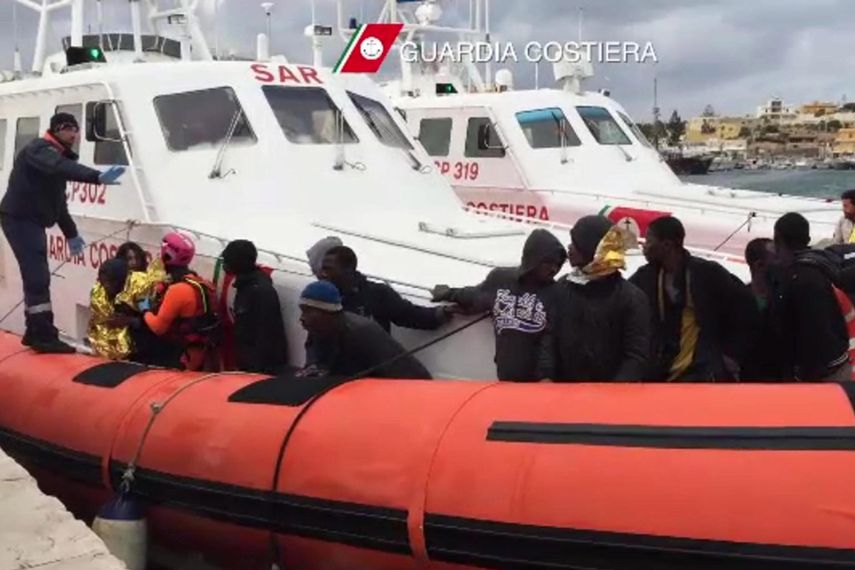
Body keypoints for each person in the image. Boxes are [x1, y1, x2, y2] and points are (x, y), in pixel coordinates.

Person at [0, 112, 125, 353]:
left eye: (76, 130)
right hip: (20, 220)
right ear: (57, 129)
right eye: (70, 129)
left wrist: (71, 235)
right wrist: (97, 177)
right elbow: (60, 166)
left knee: (37, 276)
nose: (74, 135)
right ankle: (43, 335)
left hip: (31, 222)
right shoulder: (39, 150)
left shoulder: (56, 161)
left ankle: (35, 331)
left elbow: (59, 205)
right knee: (37, 277)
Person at [629, 216, 758, 382]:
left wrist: (732, 355)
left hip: (702, 372)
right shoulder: (645, 276)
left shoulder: (708, 274)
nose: (644, 247)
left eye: (648, 241)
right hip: (661, 372)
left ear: (666, 245)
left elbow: (746, 309)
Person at [431, 229, 566, 382]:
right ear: (533, 258)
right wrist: (449, 293)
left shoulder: (556, 293)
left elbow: (549, 340)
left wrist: (546, 376)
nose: (554, 269)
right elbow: (476, 295)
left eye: (557, 264)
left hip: (537, 383)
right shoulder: (500, 279)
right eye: (548, 262)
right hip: (505, 375)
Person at [551, 216, 651, 381]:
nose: (569, 247)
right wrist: (546, 377)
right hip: (564, 392)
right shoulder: (563, 287)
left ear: (592, 249)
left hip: (610, 393)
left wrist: (610, 392)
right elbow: (549, 339)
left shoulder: (631, 299)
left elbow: (636, 356)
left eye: (575, 243)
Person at [772, 213, 850, 382]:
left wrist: (802, 377)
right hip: (840, 363)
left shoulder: (797, 280)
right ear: (807, 239)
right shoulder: (822, 264)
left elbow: (812, 334)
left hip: (821, 375)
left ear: (778, 241)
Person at [298, 280, 431, 380]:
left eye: (308, 311)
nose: (302, 318)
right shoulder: (319, 328)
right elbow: (316, 363)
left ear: (328, 312)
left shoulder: (361, 334)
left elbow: (403, 372)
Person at [131, 232, 220, 370]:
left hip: (179, 356)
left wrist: (145, 309)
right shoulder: (202, 283)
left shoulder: (177, 290)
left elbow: (158, 328)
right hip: (201, 353)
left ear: (166, 256)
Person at [321, 245, 452, 333]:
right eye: (323, 268)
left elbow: (409, 315)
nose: (322, 274)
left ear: (348, 269)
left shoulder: (377, 293)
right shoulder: (318, 297)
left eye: (329, 269)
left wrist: (442, 313)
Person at [221, 239, 288, 374]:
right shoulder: (245, 286)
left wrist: (256, 369)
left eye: (227, 260)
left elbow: (266, 333)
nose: (224, 264)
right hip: (248, 361)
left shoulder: (259, 291)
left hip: (260, 367)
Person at [741, 238, 785, 382]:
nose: (782, 262)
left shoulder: (786, 295)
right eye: (776, 258)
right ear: (759, 265)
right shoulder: (739, 301)